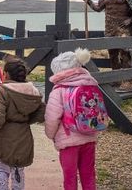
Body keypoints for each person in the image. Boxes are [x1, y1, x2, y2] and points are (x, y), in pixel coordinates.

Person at [0, 59, 46, 190]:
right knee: (18, 171)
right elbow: (41, 112)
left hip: (4, 136)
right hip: (23, 135)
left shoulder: (3, 91)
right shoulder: (32, 92)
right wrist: (26, 120)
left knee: (1, 169)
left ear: (7, 74)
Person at [45, 49, 104, 190]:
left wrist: (50, 134)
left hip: (68, 141)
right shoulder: (90, 84)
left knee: (70, 177)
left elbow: (52, 117)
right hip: (89, 137)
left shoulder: (59, 90)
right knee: (89, 175)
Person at [82, 0, 132, 91]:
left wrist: (130, 20)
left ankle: (129, 81)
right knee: (113, 54)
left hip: (123, 27)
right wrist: (87, 0)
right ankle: (116, 79)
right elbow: (98, 8)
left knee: (126, 52)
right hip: (110, 27)